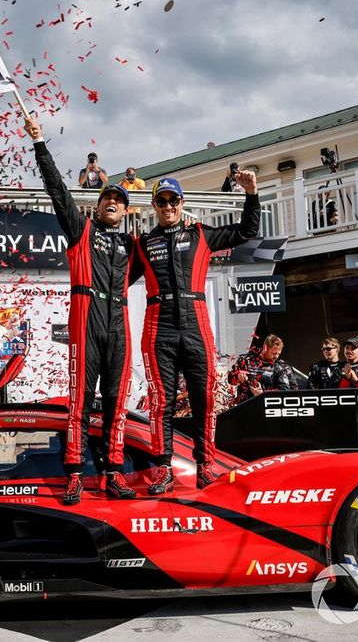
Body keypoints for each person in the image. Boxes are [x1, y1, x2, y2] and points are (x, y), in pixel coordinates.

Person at [26, 117, 136, 505]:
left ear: (125, 210)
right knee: (80, 402)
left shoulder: (131, 245)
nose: (112, 203)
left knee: (116, 405)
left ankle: (113, 474)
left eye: (119, 200)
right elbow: (57, 189)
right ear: (99, 204)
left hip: (119, 327)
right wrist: (40, 143)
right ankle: (74, 473)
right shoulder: (81, 229)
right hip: (86, 323)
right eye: (107, 198)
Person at [136, 172, 260, 493]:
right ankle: (163, 469)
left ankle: (205, 466)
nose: (167, 206)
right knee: (161, 401)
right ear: (154, 205)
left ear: (181, 203)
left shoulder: (201, 235)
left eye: (173, 200)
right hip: (158, 326)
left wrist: (251, 194)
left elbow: (247, 230)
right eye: (161, 201)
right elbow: (116, 280)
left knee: (203, 398)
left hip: (196, 323)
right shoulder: (143, 244)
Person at [229, 335, 297, 403]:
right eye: (274, 353)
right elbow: (230, 379)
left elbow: (290, 391)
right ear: (265, 347)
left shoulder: (282, 366)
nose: (276, 356)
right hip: (245, 406)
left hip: (268, 407)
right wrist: (238, 377)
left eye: (278, 354)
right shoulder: (246, 360)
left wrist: (263, 394)